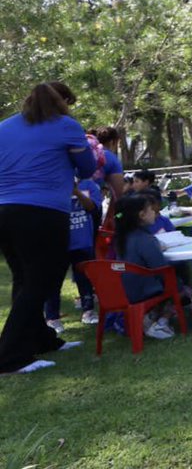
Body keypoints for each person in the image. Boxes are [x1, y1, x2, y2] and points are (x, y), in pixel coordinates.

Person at [0, 82, 96, 374]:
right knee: (41, 281)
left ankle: (42, 339)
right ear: (62, 103)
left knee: (24, 278)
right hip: (43, 212)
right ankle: (10, 356)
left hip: (4, 211)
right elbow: (88, 168)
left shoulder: (4, 127)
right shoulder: (66, 126)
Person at [112, 194, 177, 340]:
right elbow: (160, 267)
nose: (154, 212)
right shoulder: (145, 239)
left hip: (125, 290)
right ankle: (161, 321)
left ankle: (149, 318)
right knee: (180, 287)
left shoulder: (122, 238)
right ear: (142, 215)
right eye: (151, 209)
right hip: (144, 291)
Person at [44, 175, 103, 333]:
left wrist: (76, 192)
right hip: (57, 242)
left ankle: (88, 310)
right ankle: (52, 318)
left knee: (84, 279)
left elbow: (93, 208)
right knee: (53, 281)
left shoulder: (89, 185)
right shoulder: (51, 183)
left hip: (82, 241)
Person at [94, 125, 126, 226]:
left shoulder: (88, 155)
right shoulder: (111, 159)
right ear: (113, 142)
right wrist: (115, 216)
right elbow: (118, 194)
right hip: (93, 204)